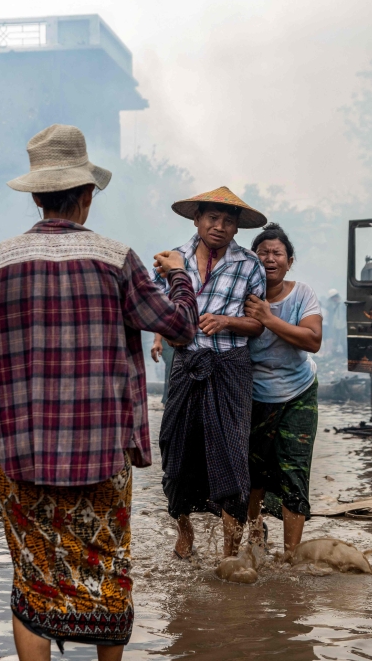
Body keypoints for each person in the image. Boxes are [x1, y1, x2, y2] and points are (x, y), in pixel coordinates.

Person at [0, 124, 197, 661]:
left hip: (21, 452)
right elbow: (179, 327)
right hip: (101, 453)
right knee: (107, 568)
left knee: (34, 578)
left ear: (38, 196)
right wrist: (180, 277)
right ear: (86, 196)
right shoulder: (117, 259)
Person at [154, 187, 267, 559]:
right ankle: (184, 530)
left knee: (232, 453)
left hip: (230, 368)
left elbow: (257, 325)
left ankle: (230, 550)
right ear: (197, 219)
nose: (219, 226)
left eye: (228, 221)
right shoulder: (173, 259)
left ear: (237, 229)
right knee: (175, 448)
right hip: (187, 365)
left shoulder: (249, 265)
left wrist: (226, 321)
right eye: (212, 218)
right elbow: (154, 310)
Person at [242, 223, 322, 553]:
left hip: (298, 392)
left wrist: (267, 317)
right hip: (254, 395)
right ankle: (254, 533)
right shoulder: (241, 294)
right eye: (262, 253)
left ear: (290, 261)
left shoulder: (302, 293)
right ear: (251, 260)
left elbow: (313, 340)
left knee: (295, 473)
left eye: (277, 253)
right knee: (253, 473)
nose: (270, 259)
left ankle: (290, 557)